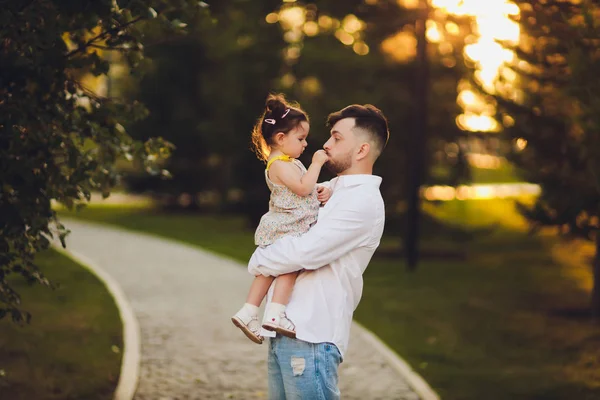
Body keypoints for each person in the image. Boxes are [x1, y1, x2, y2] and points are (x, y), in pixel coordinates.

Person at [248, 104, 390, 399]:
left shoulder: (361, 201)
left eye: (337, 138)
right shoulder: (331, 188)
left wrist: (260, 258)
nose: (325, 144)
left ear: (361, 150)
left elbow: (305, 253)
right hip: (286, 332)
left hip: (312, 337)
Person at [232, 94, 332, 344]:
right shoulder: (278, 164)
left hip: (289, 226)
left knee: (275, 269)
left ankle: (258, 312)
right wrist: (317, 164)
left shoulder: (287, 162)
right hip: (287, 226)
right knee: (282, 267)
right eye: (301, 138)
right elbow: (300, 188)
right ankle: (264, 312)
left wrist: (319, 188)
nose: (306, 144)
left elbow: (305, 188)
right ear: (280, 138)